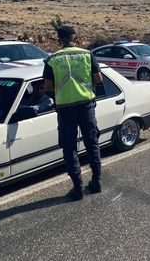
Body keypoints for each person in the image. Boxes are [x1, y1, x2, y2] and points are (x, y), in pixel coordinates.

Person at [44, 25, 103, 200]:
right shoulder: (86, 54)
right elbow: (98, 79)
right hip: (86, 106)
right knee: (92, 144)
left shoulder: (52, 59)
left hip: (65, 109)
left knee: (69, 149)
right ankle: (97, 182)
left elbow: (47, 87)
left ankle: (78, 189)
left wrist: (60, 93)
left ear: (59, 39)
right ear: (74, 38)